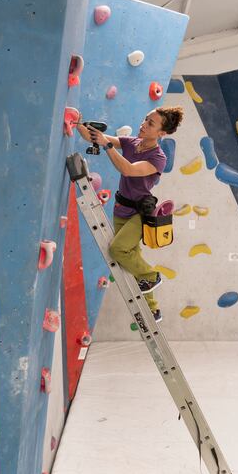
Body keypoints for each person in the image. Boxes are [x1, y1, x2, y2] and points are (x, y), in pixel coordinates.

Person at [76, 106, 184, 323]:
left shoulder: (158, 158)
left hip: (140, 214)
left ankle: (153, 276)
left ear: (162, 133)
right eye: (146, 119)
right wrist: (78, 123)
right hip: (121, 209)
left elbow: (128, 169)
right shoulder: (130, 142)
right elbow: (95, 137)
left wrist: (108, 146)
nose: (144, 124)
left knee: (118, 250)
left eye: (151, 124)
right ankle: (153, 309)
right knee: (132, 259)